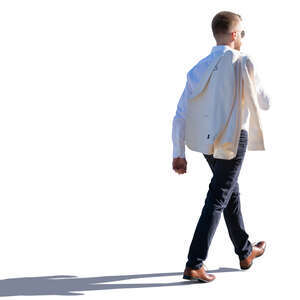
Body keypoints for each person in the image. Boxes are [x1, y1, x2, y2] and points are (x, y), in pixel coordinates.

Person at [171, 11, 270, 283]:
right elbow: (265, 103)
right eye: (243, 33)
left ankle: (245, 251)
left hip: (205, 141)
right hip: (232, 139)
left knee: (229, 192)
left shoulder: (197, 69)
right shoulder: (243, 63)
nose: (243, 39)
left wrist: (178, 153)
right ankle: (194, 263)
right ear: (235, 34)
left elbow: (181, 113)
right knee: (219, 196)